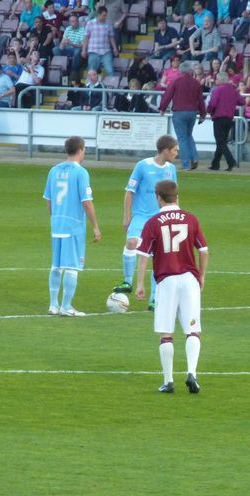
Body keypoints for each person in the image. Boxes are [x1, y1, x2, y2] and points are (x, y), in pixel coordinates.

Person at [135, 180, 209, 394]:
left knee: (166, 334)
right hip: (189, 280)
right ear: (177, 196)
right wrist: (201, 276)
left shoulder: (153, 222)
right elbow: (203, 250)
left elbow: (143, 256)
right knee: (192, 330)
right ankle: (192, 373)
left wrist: (140, 284)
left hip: (166, 281)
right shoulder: (191, 219)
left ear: (158, 197)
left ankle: (168, 382)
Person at [113, 135, 179, 310]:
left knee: (158, 257)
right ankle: (127, 282)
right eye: (174, 150)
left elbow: (174, 196)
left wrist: (176, 216)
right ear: (166, 150)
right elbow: (129, 192)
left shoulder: (171, 169)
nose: (176, 153)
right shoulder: (142, 166)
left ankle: (153, 299)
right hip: (141, 216)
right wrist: (127, 217)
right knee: (132, 242)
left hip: (161, 218)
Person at [43, 136, 102, 317]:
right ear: (80, 150)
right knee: (72, 266)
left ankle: (53, 305)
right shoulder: (81, 172)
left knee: (56, 265)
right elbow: (87, 203)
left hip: (57, 225)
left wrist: (55, 219)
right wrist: (95, 227)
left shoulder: (54, 170)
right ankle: (66, 306)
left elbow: (49, 201)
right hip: (73, 226)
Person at [159, 61, 206, 171]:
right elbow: (200, 100)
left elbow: (168, 95)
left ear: (180, 71)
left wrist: (162, 108)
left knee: (182, 138)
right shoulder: (196, 83)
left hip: (179, 112)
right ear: (190, 71)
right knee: (188, 135)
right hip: (192, 112)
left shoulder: (176, 81)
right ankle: (194, 157)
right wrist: (203, 113)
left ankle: (186, 164)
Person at [207, 72, 245, 171]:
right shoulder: (233, 90)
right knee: (222, 142)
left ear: (220, 80)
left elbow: (213, 103)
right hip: (229, 118)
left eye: (217, 79)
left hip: (219, 118)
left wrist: (209, 111)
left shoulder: (217, 90)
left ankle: (231, 161)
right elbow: (242, 102)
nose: (216, 81)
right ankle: (215, 163)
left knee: (220, 141)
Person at [82, 6, 118, 77]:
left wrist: (115, 48)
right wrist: (84, 50)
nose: (105, 17)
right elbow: (86, 38)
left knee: (110, 71)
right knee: (91, 72)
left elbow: (111, 37)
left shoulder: (108, 24)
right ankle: (90, 87)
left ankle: (111, 86)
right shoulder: (90, 23)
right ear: (98, 14)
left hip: (106, 51)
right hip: (93, 51)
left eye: (106, 15)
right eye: (103, 15)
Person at [53, 14, 86, 78]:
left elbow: (83, 45)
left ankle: (73, 70)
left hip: (76, 48)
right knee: (55, 49)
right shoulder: (68, 29)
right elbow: (63, 41)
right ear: (69, 23)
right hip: (67, 48)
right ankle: (62, 68)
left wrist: (72, 44)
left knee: (77, 51)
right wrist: (61, 45)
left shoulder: (82, 30)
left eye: (76, 21)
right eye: (73, 21)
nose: (75, 23)